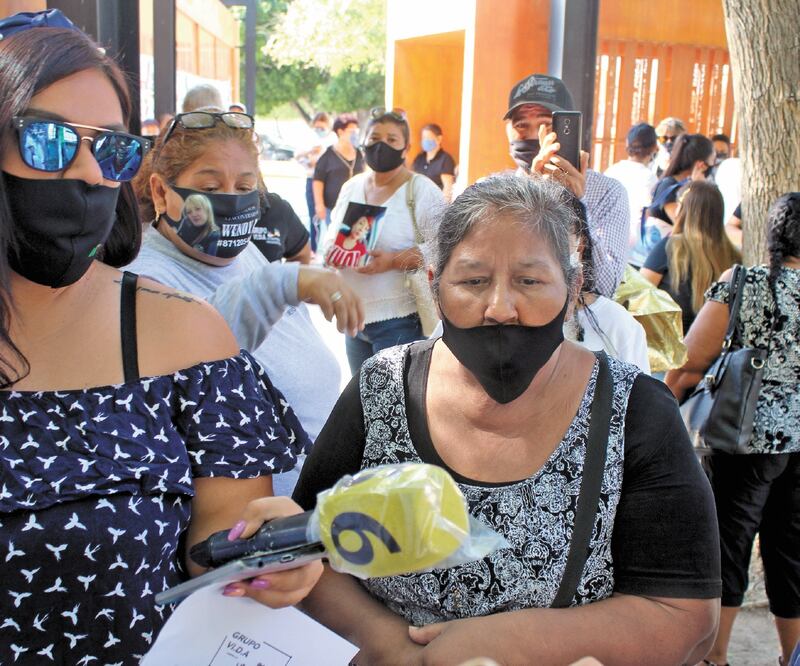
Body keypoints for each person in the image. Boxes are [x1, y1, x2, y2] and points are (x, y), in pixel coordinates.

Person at [0, 12, 321, 663]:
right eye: (50, 141)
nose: (90, 173)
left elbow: (220, 548)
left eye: (112, 148)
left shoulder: (187, 338)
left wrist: (272, 556)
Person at [295, 174, 719, 665]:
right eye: (472, 281)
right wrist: (387, 643)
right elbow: (309, 552)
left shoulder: (635, 411)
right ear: (435, 286)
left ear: (573, 286)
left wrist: (502, 643)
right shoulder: (382, 388)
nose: (499, 308)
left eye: (530, 281)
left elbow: (684, 613)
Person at [129, 109, 362, 494]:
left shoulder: (245, 253)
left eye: (244, 187)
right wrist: (284, 281)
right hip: (247, 525)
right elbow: (204, 357)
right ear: (160, 191)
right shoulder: (142, 275)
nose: (231, 202)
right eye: (212, 186)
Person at [666, 192, 800, 666]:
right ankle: (791, 657)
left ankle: (715, 657)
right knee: (791, 554)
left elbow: (691, 358)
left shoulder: (746, 281)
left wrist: (667, 405)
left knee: (728, 544)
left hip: (743, 438)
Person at [322, 107, 445, 373]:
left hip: (399, 323)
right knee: (361, 403)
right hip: (353, 319)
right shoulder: (352, 186)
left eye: (391, 140)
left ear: (405, 148)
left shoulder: (421, 190)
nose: (381, 145)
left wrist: (392, 261)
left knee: (392, 406)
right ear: (363, 142)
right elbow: (331, 234)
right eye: (375, 137)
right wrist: (331, 252)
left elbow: (446, 247)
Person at [504, 73, 630, 299]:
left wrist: (572, 205)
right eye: (521, 125)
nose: (534, 135)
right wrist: (535, 195)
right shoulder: (495, 191)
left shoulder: (607, 193)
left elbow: (605, 286)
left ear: (569, 128)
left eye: (546, 125)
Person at [641, 181, 740, 335]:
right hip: (715, 350)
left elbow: (639, 294)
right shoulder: (734, 256)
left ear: (682, 209)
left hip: (671, 346)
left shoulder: (671, 247)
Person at [566, 197, 650, 372]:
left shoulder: (618, 324)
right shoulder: (508, 315)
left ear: (580, 245)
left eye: (554, 238)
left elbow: (637, 395)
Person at [312, 113, 363, 252]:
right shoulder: (328, 155)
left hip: (356, 207)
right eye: (352, 131)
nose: (355, 134)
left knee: (353, 241)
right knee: (334, 240)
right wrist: (319, 205)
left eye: (356, 131)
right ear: (340, 132)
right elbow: (318, 181)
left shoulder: (360, 154)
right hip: (332, 208)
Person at [604, 122, 659, 251]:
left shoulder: (612, 171)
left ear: (628, 145)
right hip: (635, 248)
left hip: (607, 241)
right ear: (655, 147)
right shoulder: (649, 178)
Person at [647, 133, 715, 226]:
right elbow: (684, 226)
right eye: (712, 161)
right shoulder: (669, 186)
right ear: (701, 165)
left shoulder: (679, 184)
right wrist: (698, 189)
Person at [295, 111, 334, 226]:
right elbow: (297, 156)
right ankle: (314, 243)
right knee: (314, 219)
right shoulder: (309, 137)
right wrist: (309, 153)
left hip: (329, 182)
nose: (319, 130)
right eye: (316, 127)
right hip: (312, 179)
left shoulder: (333, 139)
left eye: (322, 128)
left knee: (331, 219)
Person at [412, 123, 456, 202]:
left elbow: (448, 188)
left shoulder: (445, 159)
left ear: (439, 139)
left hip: (435, 205)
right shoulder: (419, 159)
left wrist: (441, 209)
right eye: (423, 138)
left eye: (428, 138)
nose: (425, 141)